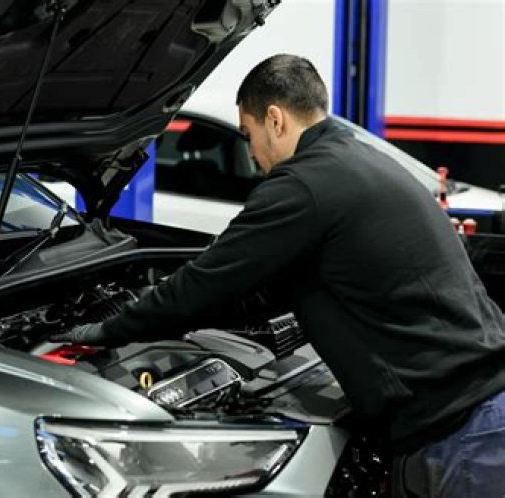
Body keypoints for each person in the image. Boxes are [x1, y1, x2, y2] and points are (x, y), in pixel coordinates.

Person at [51, 54, 505, 497]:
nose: (251, 154)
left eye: (248, 135)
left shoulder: (304, 184)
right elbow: (266, 292)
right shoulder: (352, 159)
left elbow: (203, 283)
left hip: (460, 433)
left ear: (275, 119)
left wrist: (106, 330)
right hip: (477, 413)